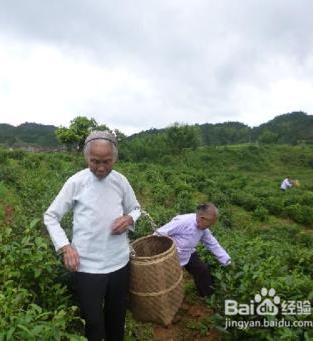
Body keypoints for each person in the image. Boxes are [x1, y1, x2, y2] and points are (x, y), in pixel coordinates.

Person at [44, 131, 141, 341]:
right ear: (86, 157)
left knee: (116, 319)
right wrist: (66, 247)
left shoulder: (120, 181)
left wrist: (129, 219)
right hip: (87, 266)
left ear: (114, 158)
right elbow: (51, 216)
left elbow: (135, 208)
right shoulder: (76, 182)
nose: (101, 168)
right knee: (94, 323)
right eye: (95, 161)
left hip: (119, 263)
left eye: (107, 162)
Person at [155, 203, 231, 297]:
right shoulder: (183, 222)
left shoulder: (203, 229)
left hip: (188, 253)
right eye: (210, 224)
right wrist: (165, 251)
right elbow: (158, 233)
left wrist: (227, 261)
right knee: (169, 279)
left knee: (202, 270)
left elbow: (212, 244)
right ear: (202, 218)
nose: (210, 227)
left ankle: (208, 297)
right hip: (172, 255)